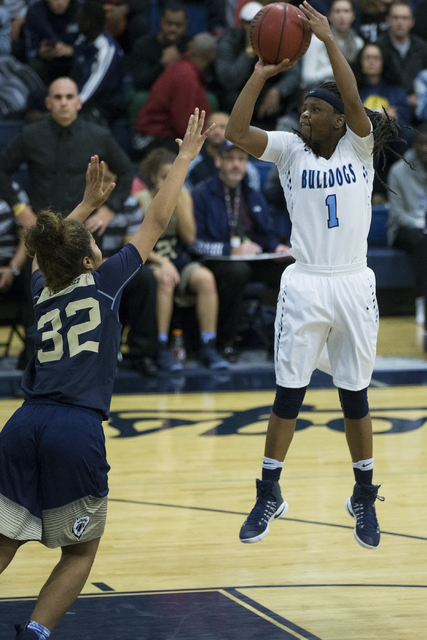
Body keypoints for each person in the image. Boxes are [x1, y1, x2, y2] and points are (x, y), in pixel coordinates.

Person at [0, 109, 213, 640]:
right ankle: (35, 634)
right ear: (91, 260)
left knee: (3, 542)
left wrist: (88, 203)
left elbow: (45, 249)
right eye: (94, 239)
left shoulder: (40, 288)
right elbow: (155, 223)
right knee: (80, 550)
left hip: (22, 424)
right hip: (76, 429)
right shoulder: (106, 281)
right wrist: (183, 158)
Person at [225, 1, 405, 549]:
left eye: (311, 109)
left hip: (353, 282)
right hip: (305, 283)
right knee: (288, 395)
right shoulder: (287, 152)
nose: (302, 115)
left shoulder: (359, 144)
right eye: (301, 108)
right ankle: (269, 492)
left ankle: (363, 494)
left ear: (335, 118)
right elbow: (235, 131)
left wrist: (328, 40)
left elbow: (353, 97)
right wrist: (259, 73)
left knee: (356, 398)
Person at [190, 139, 291, 361]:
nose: (236, 164)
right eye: (231, 159)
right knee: (238, 272)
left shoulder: (253, 193)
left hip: (253, 260)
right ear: (218, 161)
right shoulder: (200, 195)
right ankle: (226, 342)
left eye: (241, 159)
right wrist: (230, 250)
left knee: (289, 271)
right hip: (216, 263)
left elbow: (267, 234)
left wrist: (277, 247)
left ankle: (282, 340)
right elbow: (194, 243)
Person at [136, 147, 229, 371]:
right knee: (165, 280)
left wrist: (176, 197)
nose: (169, 182)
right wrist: (162, 263)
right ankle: (160, 347)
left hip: (178, 257)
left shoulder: (183, 195)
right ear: (152, 177)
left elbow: (190, 238)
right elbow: (136, 244)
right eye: (164, 178)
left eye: (174, 178)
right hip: (152, 258)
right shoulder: (140, 199)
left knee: (206, 278)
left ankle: (208, 345)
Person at [0, 77, 134, 228]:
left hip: (85, 228)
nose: (63, 102)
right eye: (58, 97)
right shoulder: (31, 135)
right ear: (48, 102)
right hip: (43, 228)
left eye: (69, 97)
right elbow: (2, 169)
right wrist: (18, 207)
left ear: (78, 102)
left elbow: (127, 171)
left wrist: (110, 209)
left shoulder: (99, 136)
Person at [215, 1, 302, 128]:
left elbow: (294, 75)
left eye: (260, 23)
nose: (254, 28)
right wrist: (249, 51)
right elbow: (229, 81)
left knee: (293, 94)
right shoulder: (228, 42)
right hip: (240, 96)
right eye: (250, 23)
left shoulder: (277, 40)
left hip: (268, 99)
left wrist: (277, 91)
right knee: (229, 97)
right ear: (242, 24)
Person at [133, 32, 215, 157]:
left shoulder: (180, 67)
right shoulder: (186, 76)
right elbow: (183, 126)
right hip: (154, 140)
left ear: (189, 47)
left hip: (158, 136)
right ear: (211, 56)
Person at [387, 124, 427, 324]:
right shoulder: (399, 170)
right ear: (414, 145)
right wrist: (421, 223)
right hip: (404, 230)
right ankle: (422, 300)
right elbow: (397, 214)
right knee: (422, 241)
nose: (425, 149)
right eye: (422, 143)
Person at [71, 0, 125, 127]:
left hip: (103, 104)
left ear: (89, 23)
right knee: (36, 98)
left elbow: (94, 86)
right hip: (79, 99)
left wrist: (71, 106)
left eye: (80, 19)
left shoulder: (106, 49)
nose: (77, 22)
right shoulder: (82, 41)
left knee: (79, 121)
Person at [0, 181, 36, 370]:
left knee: (37, 278)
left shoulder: (10, 189)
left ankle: (32, 360)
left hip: (11, 266)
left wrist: (13, 268)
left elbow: (29, 231)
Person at [185, 110, 261, 190]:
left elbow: (254, 197)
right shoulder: (192, 162)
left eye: (222, 127)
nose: (217, 131)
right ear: (204, 129)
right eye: (212, 127)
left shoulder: (248, 170)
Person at [377, 0, 427, 114]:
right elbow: (374, 85)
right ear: (388, 20)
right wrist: (403, 100)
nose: (400, 22)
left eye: (404, 18)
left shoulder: (423, 48)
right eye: (396, 18)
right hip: (387, 108)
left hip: (419, 109)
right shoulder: (378, 48)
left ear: (412, 22)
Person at [131, 0, 191, 93]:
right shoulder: (143, 45)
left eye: (178, 25)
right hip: (153, 93)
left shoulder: (190, 45)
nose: (173, 29)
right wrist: (162, 65)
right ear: (161, 21)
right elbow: (139, 84)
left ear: (185, 25)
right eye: (169, 23)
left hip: (182, 93)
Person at [301, 0, 364, 88]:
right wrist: (339, 69)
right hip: (319, 93)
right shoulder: (316, 40)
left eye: (346, 11)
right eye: (337, 11)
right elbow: (307, 77)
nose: (342, 16)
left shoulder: (358, 43)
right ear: (329, 16)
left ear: (353, 16)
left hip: (349, 93)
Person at [24, 0, 80, 86]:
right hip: (46, 62)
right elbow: (28, 50)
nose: (60, 2)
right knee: (32, 69)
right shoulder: (35, 12)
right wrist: (40, 53)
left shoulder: (80, 11)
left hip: (73, 61)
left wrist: (72, 50)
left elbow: (91, 47)